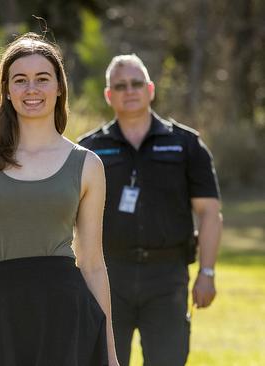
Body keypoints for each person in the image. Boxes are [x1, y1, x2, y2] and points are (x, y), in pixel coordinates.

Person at [0, 33, 119, 366]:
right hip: (0, 314)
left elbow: (93, 264)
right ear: (7, 91)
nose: (32, 90)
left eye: (42, 79)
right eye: (20, 80)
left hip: (66, 316)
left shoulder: (87, 164)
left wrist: (110, 354)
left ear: (59, 88)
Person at [78, 54, 223, 366]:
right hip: (108, 276)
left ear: (150, 89)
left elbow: (209, 212)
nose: (129, 91)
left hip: (167, 277)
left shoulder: (186, 144)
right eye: (120, 86)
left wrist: (207, 273)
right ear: (108, 95)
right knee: (104, 361)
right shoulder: (88, 150)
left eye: (136, 83)